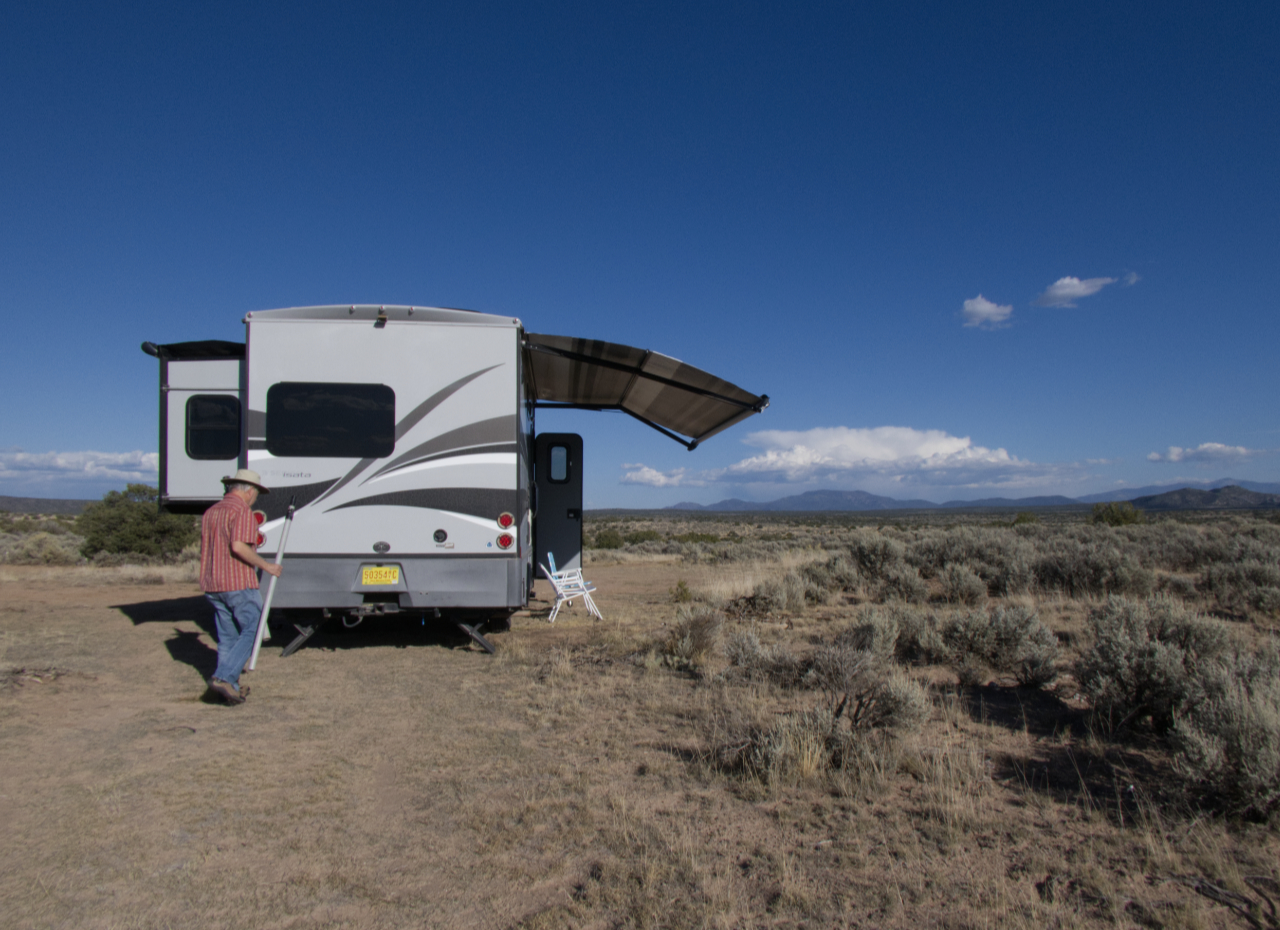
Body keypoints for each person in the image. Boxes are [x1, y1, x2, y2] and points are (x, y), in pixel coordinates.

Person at [199, 469, 282, 704]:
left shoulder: (211, 512)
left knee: (228, 637)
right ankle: (224, 678)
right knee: (254, 629)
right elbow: (238, 547)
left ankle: (229, 688)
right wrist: (267, 566)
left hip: (212, 583)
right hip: (236, 582)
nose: (255, 498)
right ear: (249, 491)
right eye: (256, 494)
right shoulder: (241, 511)